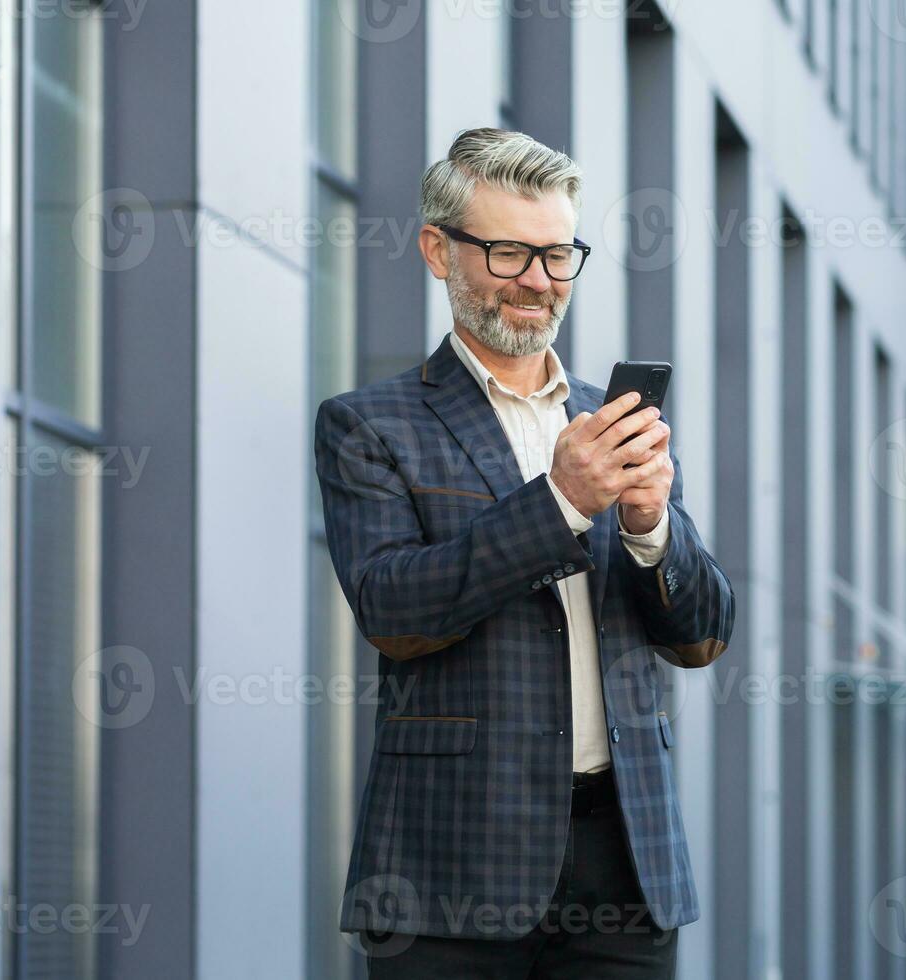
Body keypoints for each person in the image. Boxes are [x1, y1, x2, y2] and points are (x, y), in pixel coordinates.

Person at [314, 127, 736, 978]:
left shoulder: (612, 420)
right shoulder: (370, 424)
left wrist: (653, 527)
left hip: (625, 861)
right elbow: (396, 613)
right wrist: (561, 502)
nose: (538, 282)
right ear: (439, 250)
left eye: (557, 255)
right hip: (450, 869)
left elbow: (701, 639)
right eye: (508, 254)